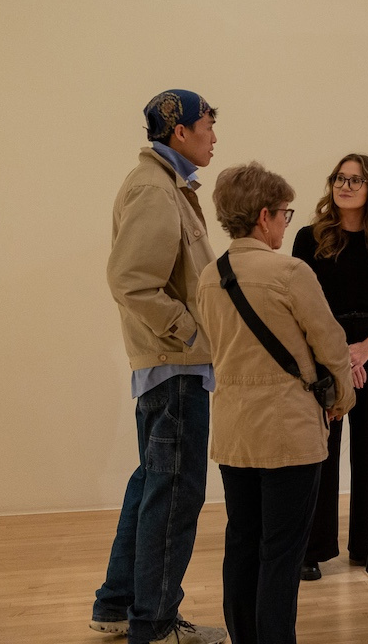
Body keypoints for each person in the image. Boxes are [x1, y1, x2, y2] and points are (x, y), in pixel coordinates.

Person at [196, 162, 356, 644]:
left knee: (241, 542)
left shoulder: (209, 276)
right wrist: (342, 398)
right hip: (288, 432)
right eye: (285, 213)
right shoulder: (289, 272)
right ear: (264, 216)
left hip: (233, 431)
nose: (287, 223)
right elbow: (331, 345)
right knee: (282, 552)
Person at [94, 90, 227, 644]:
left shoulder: (165, 185)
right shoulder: (155, 189)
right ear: (180, 133)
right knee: (175, 494)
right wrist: (193, 335)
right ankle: (156, 624)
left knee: (152, 485)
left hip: (167, 371)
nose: (214, 136)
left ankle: (118, 608)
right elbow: (131, 280)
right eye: (208, 126)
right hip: (176, 372)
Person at [293, 154, 368, 580]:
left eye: (355, 180)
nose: (345, 185)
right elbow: (299, 304)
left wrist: (365, 349)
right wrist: (341, 354)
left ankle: (364, 543)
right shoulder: (309, 238)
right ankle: (314, 548)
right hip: (324, 352)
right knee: (321, 452)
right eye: (340, 178)